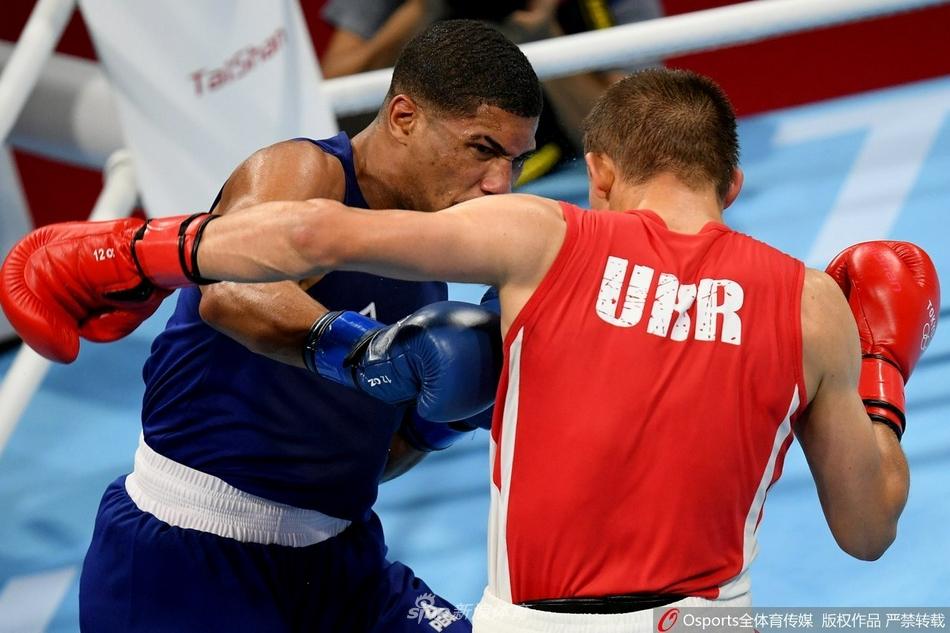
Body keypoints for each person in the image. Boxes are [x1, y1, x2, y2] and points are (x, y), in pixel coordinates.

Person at [1, 68, 939, 632]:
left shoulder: (543, 237)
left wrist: (127, 252)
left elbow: (307, 236)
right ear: (733, 179)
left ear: (597, 173)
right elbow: (869, 531)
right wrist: (882, 371)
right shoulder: (811, 303)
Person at [1, 19, 541, 633]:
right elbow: (231, 294)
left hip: (342, 558)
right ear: (403, 116)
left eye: (516, 161)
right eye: (482, 149)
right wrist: (371, 353)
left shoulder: (426, 251)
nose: (501, 184)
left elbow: (364, 461)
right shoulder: (305, 173)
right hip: (189, 554)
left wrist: (434, 423)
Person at [318, 0, 664, 183]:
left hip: (560, 176)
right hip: (422, 183)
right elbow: (328, 101)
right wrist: (422, 10)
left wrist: (543, 37)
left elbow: (634, 137)